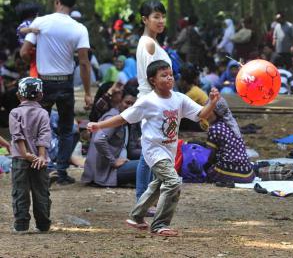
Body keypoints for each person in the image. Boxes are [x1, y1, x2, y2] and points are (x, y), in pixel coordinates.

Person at [87, 60, 220, 236]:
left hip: (169, 151)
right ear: (153, 81)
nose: (169, 78)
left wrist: (211, 102)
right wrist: (99, 125)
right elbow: (124, 118)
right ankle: (160, 224)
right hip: (153, 151)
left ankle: (136, 216)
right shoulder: (147, 101)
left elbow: (201, 114)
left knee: (158, 184)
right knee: (173, 182)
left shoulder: (179, 98)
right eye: (163, 75)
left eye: (171, 74)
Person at [20, 0, 92, 185]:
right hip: (66, 83)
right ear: (73, 3)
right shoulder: (79, 28)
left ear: (56, 0)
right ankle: (61, 172)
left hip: (43, 83)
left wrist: (32, 62)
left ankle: (38, 168)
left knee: (37, 126)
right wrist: (87, 93)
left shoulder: (40, 22)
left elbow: (24, 52)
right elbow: (84, 63)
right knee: (66, 128)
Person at [135, 0, 172, 202]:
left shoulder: (151, 42)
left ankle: (147, 197)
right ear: (144, 19)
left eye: (162, 16)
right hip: (153, 101)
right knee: (147, 154)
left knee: (152, 152)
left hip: (154, 100)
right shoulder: (148, 43)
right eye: (156, 16)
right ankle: (142, 198)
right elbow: (153, 76)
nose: (161, 20)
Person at [9, 77, 51, 233]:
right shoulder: (43, 113)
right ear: (40, 95)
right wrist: (40, 156)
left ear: (19, 95)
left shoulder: (15, 113)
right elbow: (44, 135)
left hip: (20, 159)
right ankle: (43, 225)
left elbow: (16, 135)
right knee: (41, 192)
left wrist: (25, 153)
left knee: (20, 191)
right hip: (39, 160)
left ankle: (21, 225)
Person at [82, 87, 139, 187]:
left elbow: (131, 149)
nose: (130, 107)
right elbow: (99, 140)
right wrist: (113, 161)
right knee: (149, 165)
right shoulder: (113, 117)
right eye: (127, 102)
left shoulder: (128, 120)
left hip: (120, 164)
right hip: (108, 171)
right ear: (120, 101)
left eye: (133, 104)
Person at [206, 97, 254, 183]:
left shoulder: (214, 128)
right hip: (247, 174)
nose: (205, 113)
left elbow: (209, 156)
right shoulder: (233, 126)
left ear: (216, 112)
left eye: (208, 110)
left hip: (227, 173)